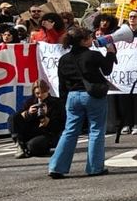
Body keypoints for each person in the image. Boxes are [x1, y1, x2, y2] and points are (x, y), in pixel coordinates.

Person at [47, 27, 116, 179]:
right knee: (96, 130)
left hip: (72, 96)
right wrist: (110, 52)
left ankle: (56, 166)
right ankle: (94, 167)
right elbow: (107, 70)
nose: (92, 40)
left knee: (70, 131)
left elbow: (62, 83)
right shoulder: (93, 55)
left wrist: (64, 101)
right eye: (89, 38)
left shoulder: (64, 59)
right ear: (83, 41)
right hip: (92, 95)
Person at [11, 80, 63, 159]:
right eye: (37, 93)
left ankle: (29, 148)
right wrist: (28, 113)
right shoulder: (30, 102)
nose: (40, 95)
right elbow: (18, 119)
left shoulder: (56, 102)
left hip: (48, 133)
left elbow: (60, 124)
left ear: (47, 90)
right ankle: (20, 145)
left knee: (33, 146)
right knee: (13, 117)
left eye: (43, 93)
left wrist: (46, 118)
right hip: (32, 131)